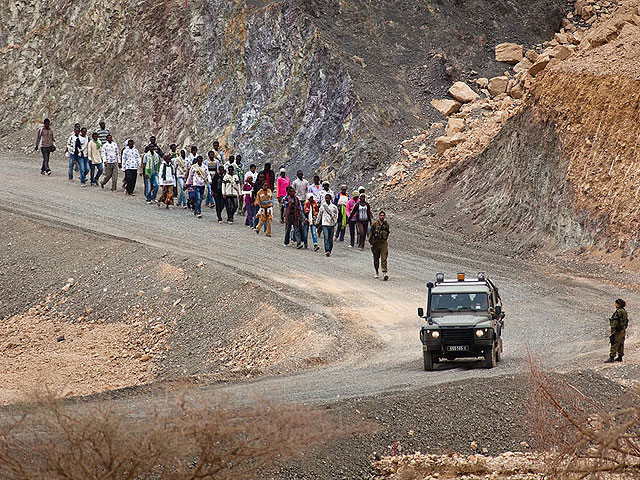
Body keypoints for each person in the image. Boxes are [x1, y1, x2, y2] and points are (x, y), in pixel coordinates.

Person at [369, 211, 390, 280]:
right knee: (376, 259)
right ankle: (376, 271)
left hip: (383, 243)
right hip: (376, 244)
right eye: (381, 215)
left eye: (383, 215)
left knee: (384, 258)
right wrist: (371, 243)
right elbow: (370, 234)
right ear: (379, 216)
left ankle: (384, 273)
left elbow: (387, 233)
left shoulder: (386, 225)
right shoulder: (375, 224)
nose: (382, 217)